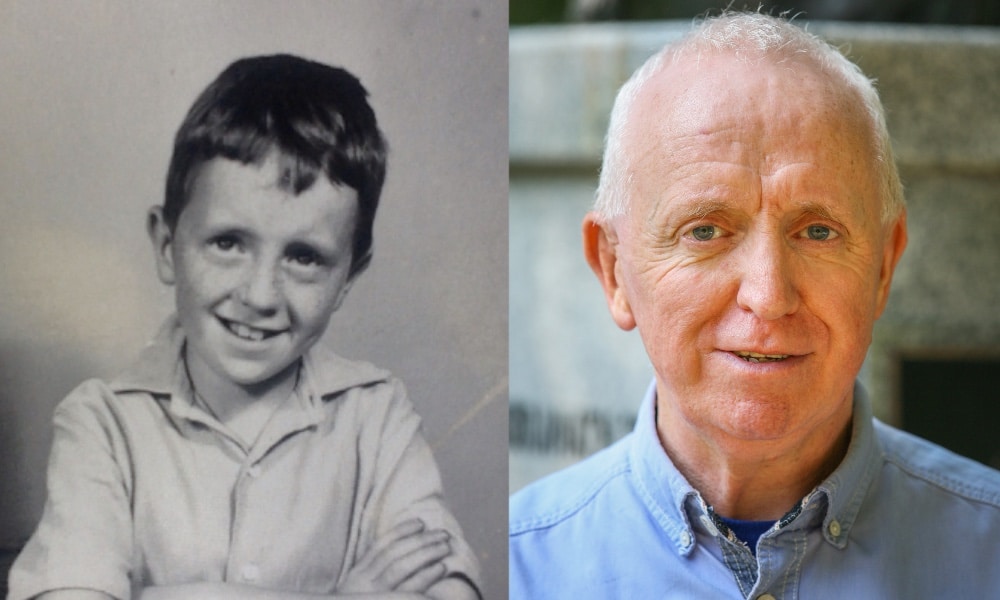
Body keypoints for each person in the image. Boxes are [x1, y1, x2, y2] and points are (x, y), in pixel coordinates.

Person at [509, 12, 1000, 599]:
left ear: (883, 268)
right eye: (706, 231)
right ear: (614, 269)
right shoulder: (507, 569)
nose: (768, 297)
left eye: (818, 232)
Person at [9, 54, 480, 600]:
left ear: (348, 276)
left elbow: (449, 593)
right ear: (167, 245)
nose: (259, 295)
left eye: (303, 257)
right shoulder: (102, 427)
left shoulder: (377, 418)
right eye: (228, 243)